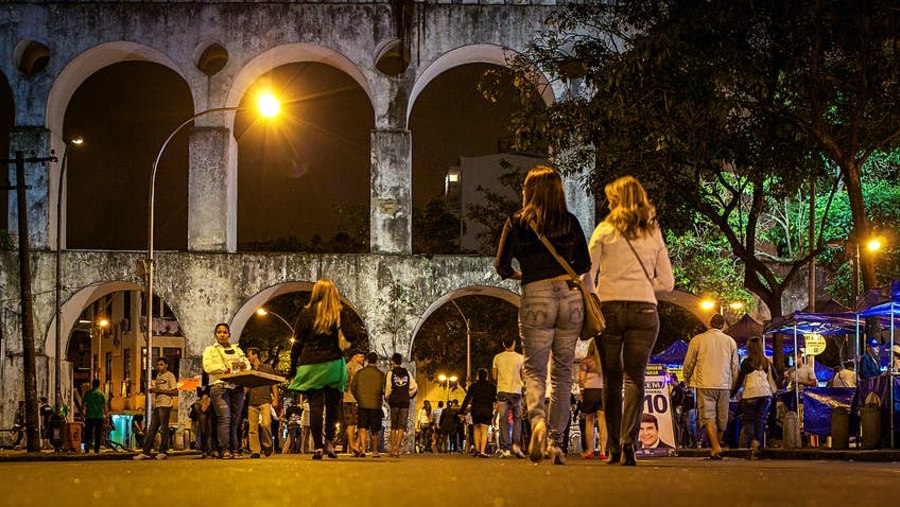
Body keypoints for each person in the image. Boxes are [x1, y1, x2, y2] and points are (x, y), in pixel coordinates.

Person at [495, 165, 591, 465]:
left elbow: (500, 265)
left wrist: (520, 273)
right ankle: (555, 442)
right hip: (570, 294)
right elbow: (585, 262)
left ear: (529, 191)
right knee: (563, 372)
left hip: (536, 293)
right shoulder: (570, 221)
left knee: (535, 369)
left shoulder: (517, 221)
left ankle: (536, 422)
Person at [584, 175, 674, 466]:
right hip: (645, 310)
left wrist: (600, 292)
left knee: (611, 379)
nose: (608, 203)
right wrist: (645, 286)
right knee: (635, 377)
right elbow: (668, 282)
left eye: (611, 198)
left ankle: (611, 447)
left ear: (617, 200)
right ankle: (628, 445)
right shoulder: (653, 232)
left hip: (608, 309)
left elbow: (587, 275)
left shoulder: (603, 230)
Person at [289, 279, 355, 460]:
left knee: (315, 406)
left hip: (311, 364)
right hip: (333, 363)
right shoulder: (339, 312)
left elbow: (297, 344)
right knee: (334, 407)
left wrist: (293, 368)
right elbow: (352, 335)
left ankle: (318, 447)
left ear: (315, 293)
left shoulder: (306, 314)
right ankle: (330, 445)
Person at [684, 314, 740, 460]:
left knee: (708, 416)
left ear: (709, 324)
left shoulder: (698, 340)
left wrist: (687, 378)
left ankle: (715, 447)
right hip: (724, 384)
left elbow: (689, 363)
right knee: (722, 418)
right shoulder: (730, 341)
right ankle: (717, 446)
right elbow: (735, 367)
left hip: (704, 383)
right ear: (723, 326)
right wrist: (733, 386)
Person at [202, 322, 250, 459]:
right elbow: (208, 367)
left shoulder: (238, 350)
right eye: (219, 332)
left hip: (237, 387)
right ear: (215, 334)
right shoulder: (210, 350)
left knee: (235, 420)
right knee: (225, 418)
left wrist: (240, 366)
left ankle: (235, 448)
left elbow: (246, 364)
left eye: (224, 332)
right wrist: (228, 368)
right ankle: (225, 449)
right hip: (219, 387)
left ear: (229, 334)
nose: (222, 334)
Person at [731, 336, 777, 458]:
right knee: (760, 420)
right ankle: (758, 444)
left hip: (750, 395)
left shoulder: (747, 362)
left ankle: (753, 445)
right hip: (766, 395)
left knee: (749, 421)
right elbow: (776, 378)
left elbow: (740, 380)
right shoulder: (767, 362)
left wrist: (732, 393)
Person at [134, 357, 178, 460]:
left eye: (161, 364)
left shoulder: (170, 376)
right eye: (158, 364)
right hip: (157, 406)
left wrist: (159, 391)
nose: (159, 366)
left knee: (163, 429)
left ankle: (163, 451)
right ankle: (146, 451)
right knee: (151, 429)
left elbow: (175, 392)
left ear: (166, 365)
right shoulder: (158, 376)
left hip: (165, 405)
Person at [492, 336, 525, 459]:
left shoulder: (497, 357)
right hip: (516, 391)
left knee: (503, 420)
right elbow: (523, 376)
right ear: (514, 343)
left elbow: (494, 376)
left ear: (503, 343)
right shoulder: (520, 358)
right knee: (517, 419)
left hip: (502, 391)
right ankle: (516, 446)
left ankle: (505, 448)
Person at [350, 351, 386, 458]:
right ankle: (375, 451)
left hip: (362, 404)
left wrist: (359, 398)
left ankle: (363, 449)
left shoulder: (360, 373)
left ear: (367, 360)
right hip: (376, 404)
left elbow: (353, 387)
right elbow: (384, 389)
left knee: (363, 428)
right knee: (375, 430)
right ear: (376, 361)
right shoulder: (380, 374)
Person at [245, 347, 278, 458]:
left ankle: (268, 446)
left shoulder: (267, 369)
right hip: (252, 401)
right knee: (252, 428)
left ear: (255, 355)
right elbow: (246, 386)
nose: (248, 357)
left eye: (249, 355)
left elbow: (274, 384)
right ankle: (255, 450)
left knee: (266, 424)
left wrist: (275, 399)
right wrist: (242, 397)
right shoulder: (248, 370)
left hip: (265, 399)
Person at [384, 352, 418, 457]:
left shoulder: (391, 373)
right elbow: (414, 386)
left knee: (393, 426)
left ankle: (393, 448)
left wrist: (387, 396)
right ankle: (398, 448)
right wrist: (407, 394)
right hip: (405, 402)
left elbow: (388, 387)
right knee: (402, 426)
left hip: (394, 401)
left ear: (393, 362)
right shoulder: (407, 372)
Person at [459, 368, 498, 458]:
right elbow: (495, 399)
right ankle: (482, 451)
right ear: (487, 376)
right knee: (484, 431)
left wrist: (461, 411)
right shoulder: (492, 386)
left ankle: (476, 450)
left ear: (478, 376)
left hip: (476, 409)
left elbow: (467, 399)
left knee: (476, 429)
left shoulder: (473, 386)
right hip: (487, 409)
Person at [578, 339, 607, 459]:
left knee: (589, 422)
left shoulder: (586, 361)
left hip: (590, 392)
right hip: (603, 392)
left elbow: (581, 380)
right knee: (603, 422)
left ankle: (590, 451)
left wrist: (582, 388)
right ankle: (603, 452)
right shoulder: (605, 361)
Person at [343, 349, 365, 456]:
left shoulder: (345, 367)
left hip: (345, 399)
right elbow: (360, 385)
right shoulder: (359, 368)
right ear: (354, 356)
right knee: (362, 425)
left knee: (350, 425)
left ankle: (352, 448)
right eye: (361, 356)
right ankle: (356, 446)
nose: (362, 359)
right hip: (355, 399)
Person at [82, 379, 107, 454]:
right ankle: (96, 450)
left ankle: (87, 449)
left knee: (88, 434)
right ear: (99, 385)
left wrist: (82, 414)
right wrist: (106, 415)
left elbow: (82, 405)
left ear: (92, 384)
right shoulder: (101, 394)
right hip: (99, 417)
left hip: (89, 416)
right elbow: (104, 406)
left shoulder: (88, 393)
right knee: (98, 434)